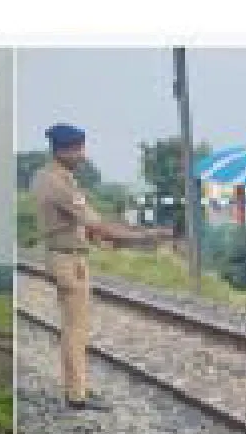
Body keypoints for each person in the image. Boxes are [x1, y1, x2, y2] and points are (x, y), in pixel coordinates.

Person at [30, 122, 165, 411]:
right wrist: (144, 236)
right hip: (69, 260)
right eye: (78, 149)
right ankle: (76, 394)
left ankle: (76, 389)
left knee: (74, 327)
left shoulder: (46, 177)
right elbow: (98, 225)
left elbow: (84, 225)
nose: (83, 155)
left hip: (64, 255)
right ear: (63, 150)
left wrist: (112, 237)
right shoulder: (58, 183)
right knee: (76, 329)